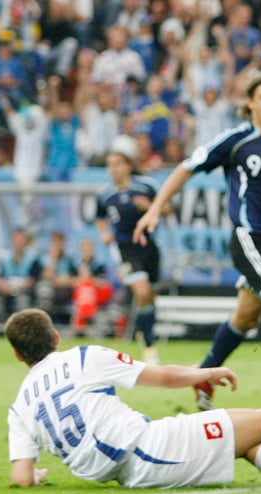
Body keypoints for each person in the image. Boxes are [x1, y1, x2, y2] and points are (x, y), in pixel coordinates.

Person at [4, 308, 261, 489]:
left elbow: (22, 476)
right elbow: (164, 376)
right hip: (147, 450)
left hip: (132, 464)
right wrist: (208, 371)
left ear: (18, 355)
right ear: (56, 337)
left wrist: (37, 476)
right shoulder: (84, 357)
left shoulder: (19, 405)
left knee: (250, 442)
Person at [133, 73, 261, 423]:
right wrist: (154, 208)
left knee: (246, 317)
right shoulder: (237, 141)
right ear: (251, 104)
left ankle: (204, 377)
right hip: (249, 239)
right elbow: (187, 167)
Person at [95, 135, 164, 364]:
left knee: (149, 299)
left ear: (127, 165)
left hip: (148, 247)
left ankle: (146, 334)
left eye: (117, 164)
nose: (112, 169)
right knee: (142, 293)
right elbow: (100, 218)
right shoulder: (105, 194)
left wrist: (151, 208)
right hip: (125, 249)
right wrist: (104, 233)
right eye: (109, 165)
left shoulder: (146, 186)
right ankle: (149, 347)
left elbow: (168, 209)